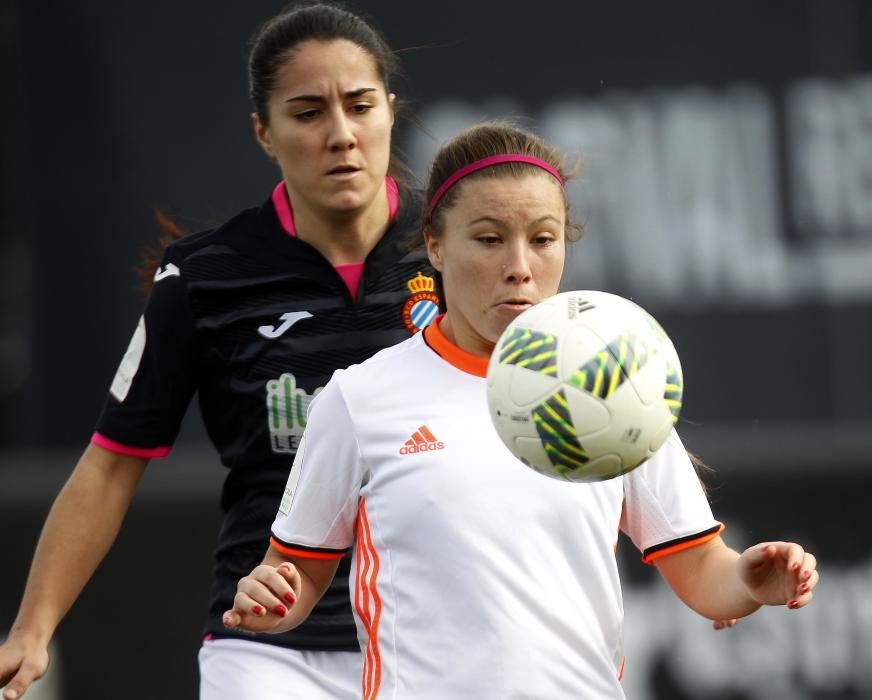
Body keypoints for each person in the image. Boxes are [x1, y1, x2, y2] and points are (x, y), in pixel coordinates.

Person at [222, 121, 820, 699]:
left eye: (542, 238)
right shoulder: (358, 398)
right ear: (434, 245)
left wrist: (749, 581)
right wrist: (269, 596)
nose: (520, 266)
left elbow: (701, 571)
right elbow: (295, 575)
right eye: (488, 238)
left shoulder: (619, 384)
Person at [0, 3, 439, 699]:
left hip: (436, 644)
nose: (341, 135)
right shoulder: (205, 276)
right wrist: (33, 626)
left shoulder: (458, 248)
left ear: (390, 109)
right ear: (264, 133)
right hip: (270, 650)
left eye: (360, 106)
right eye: (307, 113)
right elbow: (111, 467)